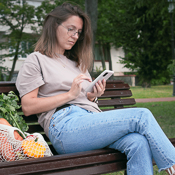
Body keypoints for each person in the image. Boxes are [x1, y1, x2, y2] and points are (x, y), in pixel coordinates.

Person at [16, 2, 175, 175]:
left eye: (78, 32)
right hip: (65, 127)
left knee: (138, 142)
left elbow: (82, 99)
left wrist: (93, 96)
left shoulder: (77, 64)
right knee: (141, 116)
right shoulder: (36, 59)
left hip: (91, 122)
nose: (75, 36)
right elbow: (28, 106)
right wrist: (70, 95)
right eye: (71, 29)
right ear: (54, 25)